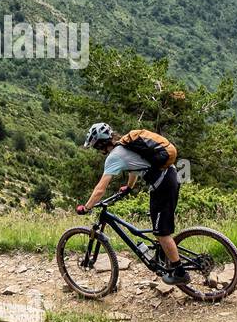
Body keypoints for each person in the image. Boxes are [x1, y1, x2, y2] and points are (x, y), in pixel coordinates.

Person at [76, 122, 185, 284]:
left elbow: (100, 189)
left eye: (96, 147)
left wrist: (87, 207)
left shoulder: (113, 157)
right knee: (158, 225)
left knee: (162, 232)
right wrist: (129, 187)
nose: (98, 151)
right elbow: (134, 168)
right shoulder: (125, 145)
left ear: (100, 144)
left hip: (163, 183)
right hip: (170, 176)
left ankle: (180, 272)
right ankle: (163, 258)